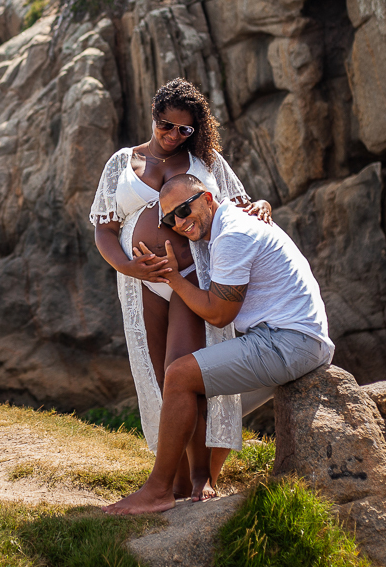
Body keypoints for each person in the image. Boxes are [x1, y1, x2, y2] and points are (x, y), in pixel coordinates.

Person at [103, 173, 335, 515]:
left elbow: (219, 314)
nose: (179, 223)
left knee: (179, 376)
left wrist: (173, 279)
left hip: (288, 341)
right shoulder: (230, 223)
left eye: (184, 209)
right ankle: (199, 482)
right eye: (170, 219)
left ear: (208, 199)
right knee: (210, 400)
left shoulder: (234, 234)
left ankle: (157, 491)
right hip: (295, 340)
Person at [90, 78, 273, 501]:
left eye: (185, 129)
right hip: (142, 284)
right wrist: (128, 266)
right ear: (153, 116)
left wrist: (263, 206)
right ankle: (172, 478)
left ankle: (202, 476)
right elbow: (104, 229)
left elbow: (237, 205)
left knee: (188, 372)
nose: (174, 135)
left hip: (193, 278)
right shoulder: (121, 162)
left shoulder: (205, 160)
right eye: (166, 126)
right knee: (159, 378)